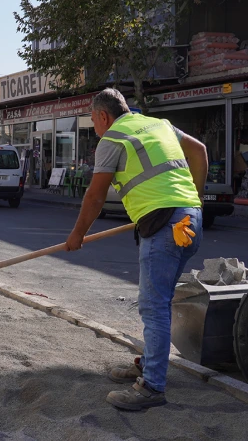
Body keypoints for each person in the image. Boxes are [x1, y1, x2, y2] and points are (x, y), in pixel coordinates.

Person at [65, 88, 207, 411]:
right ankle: (149, 363)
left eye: (93, 120)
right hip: (189, 221)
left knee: (153, 306)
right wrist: (194, 201)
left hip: (164, 227)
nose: (95, 128)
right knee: (161, 300)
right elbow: (199, 152)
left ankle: (152, 386)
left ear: (103, 116)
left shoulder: (111, 139)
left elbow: (95, 196)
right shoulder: (160, 125)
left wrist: (77, 235)